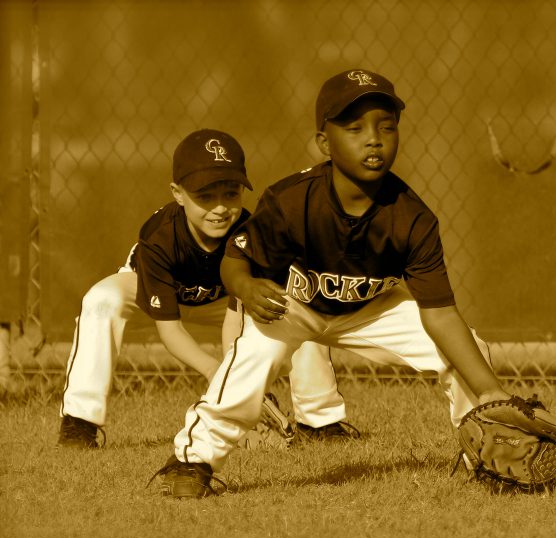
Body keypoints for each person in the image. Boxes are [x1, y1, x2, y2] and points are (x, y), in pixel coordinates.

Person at [151, 69, 511, 498]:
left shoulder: (412, 219)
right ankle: (191, 461)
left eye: (386, 126)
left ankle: (489, 456)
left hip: (371, 310)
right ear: (325, 143)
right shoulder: (291, 200)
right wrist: (246, 289)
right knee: (252, 357)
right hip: (294, 307)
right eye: (354, 128)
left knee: (465, 349)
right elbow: (234, 261)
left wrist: (490, 391)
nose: (373, 139)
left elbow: (440, 313)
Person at [58, 128, 356, 449]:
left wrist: (239, 384)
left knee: (295, 305)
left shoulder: (248, 232)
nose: (219, 208)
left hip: (224, 298)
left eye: (230, 194)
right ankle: (80, 422)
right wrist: (213, 370)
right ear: (178, 193)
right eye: (204, 196)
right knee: (102, 300)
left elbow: (236, 319)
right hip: (152, 292)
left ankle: (321, 422)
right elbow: (169, 330)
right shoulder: (160, 236)